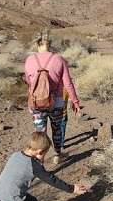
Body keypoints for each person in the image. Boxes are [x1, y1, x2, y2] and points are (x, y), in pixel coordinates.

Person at [24, 31, 81, 165]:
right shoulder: (59, 59)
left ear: (37, 44)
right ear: (50, 44)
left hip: (36, 102)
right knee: (57, 129)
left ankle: (39, 160)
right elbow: (68, 83)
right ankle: (57, 155)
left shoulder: (29, 60)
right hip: (57, 102)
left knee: (40, 132)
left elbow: (28, 81)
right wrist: (75, 102)